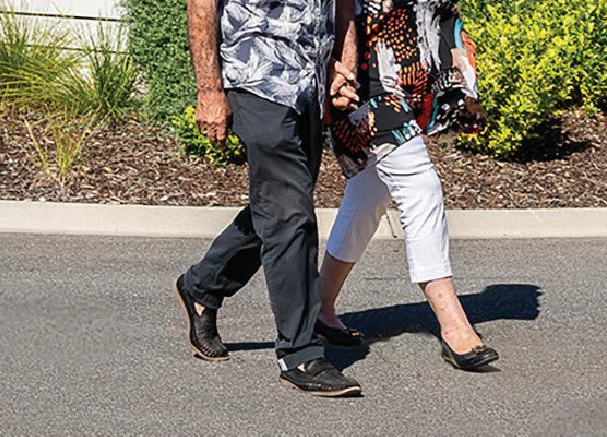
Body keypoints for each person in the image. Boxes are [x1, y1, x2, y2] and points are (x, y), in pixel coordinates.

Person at [170, 0, 365, 396]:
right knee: (290, 213)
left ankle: (202, 286)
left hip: (309, 81)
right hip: (255, 75)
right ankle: (300, 352)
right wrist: (209, 90)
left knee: (279, 207)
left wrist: (344, 67)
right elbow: (201, 5)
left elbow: (344, 4)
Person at [311, 0, 501, 372]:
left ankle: (318, 306)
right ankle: (453, 324)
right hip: (362, 63)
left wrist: (457, 71)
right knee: (419, 185)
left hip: (407, 60)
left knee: (369, 193)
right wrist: (340, 65)